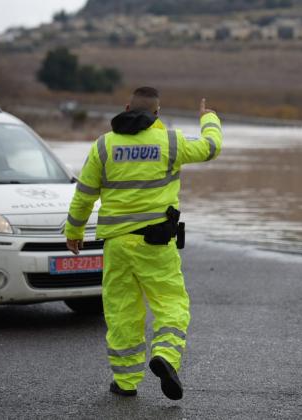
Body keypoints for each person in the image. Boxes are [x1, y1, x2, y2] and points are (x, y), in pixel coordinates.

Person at [65, 87, 222, 400]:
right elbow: (212, 147)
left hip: (117, 245)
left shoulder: (104, 146)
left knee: (121, 311)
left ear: (126, 108)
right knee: (171, 303)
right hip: (155, 244)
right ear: (157, 114)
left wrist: (74, 231)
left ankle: (125, 382)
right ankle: (165, 355)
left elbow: (84, 194)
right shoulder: (170, 142)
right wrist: (209, 118)